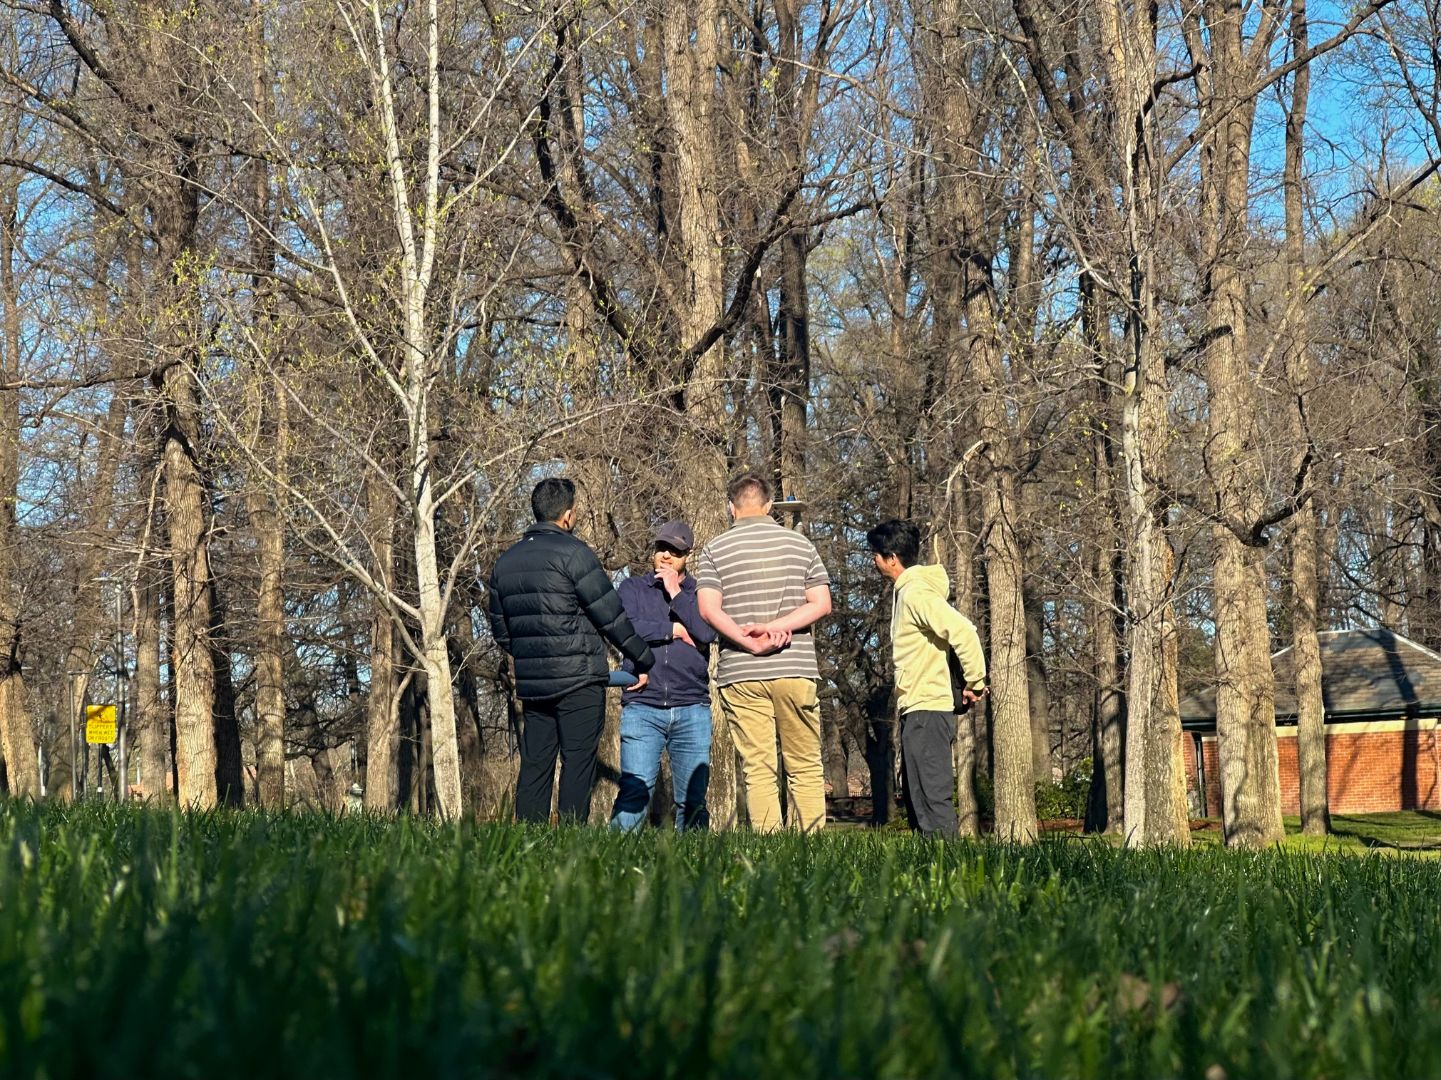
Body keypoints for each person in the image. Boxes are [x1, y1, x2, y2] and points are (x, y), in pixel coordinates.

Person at [488, 477, 654, 823]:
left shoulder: (505, 564)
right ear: (567, 516)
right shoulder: (575, 554)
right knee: (578, 764)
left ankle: (528, 845)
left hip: (535, 686)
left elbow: (503, 633)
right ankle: (570, 845)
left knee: (535, 765)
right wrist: (643, 658)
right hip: (579, 680)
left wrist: (535, 653)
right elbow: (611, 617)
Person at [696, 472, 832, 832]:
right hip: (795, 666)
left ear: (731, 507)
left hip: (741, 672)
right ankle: (811, 849)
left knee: (758, 767)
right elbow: (821, 603)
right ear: (770, 505)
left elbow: (709, 610)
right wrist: (779, 627)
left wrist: (751, 641)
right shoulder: (800, 546)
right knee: (804, 764)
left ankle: (769, 850)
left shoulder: (714, 549)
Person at [866, 518, 987, 839]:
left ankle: (950, 875)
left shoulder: (916, 593)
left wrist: (975, 681)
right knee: (919, 799)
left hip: (928, 709)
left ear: (892, 558)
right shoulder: (908, 592)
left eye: (876, 554)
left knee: (932, 798)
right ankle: (931, 874)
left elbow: (963, 631)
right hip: (917, 709)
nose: (874, 561)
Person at [609, 520, 718, 831]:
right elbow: (624, 629)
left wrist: (676, 594)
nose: (666, 556)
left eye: (675, 551)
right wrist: (673, 630)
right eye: (661, 548)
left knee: (693, 799)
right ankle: (609, 868)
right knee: (634, 793)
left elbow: (707, 633)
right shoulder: (632, 588)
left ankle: (696, 867)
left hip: (692, 706)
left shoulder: (700, 593)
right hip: (643, 704)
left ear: (687, 556)